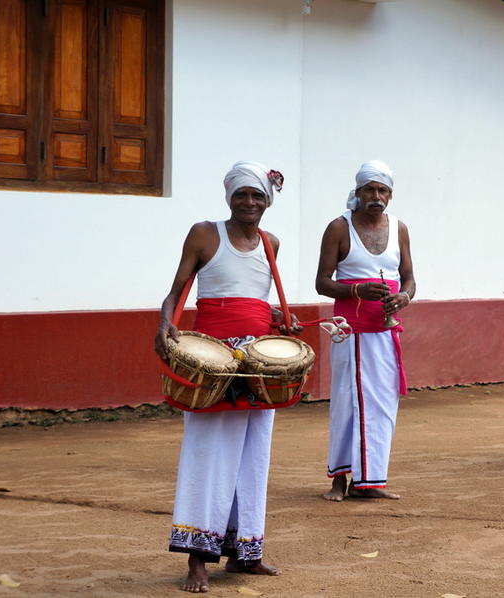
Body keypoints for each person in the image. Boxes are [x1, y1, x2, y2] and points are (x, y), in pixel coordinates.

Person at [155, 161, 297, 592]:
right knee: (208, 453)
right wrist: (164, 323)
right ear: (229, 197)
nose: (249, 202)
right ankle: (197, 558)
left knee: (254, 457)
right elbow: (178, 289)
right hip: (213, 360)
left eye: (257, 195)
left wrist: (278, 322)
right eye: (242, 195)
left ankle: (245, 553)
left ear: (266, 202)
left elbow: (254, 300)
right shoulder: (204, 233)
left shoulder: (271, 243)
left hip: (256, 364)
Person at [315, 160, 416, 501]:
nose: (376, 196)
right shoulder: (338, 228)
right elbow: (322, 283)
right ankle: (340, 481)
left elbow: (409, 278)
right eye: (369, 189)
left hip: (385, 331)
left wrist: (403, 296)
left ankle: (371, 480)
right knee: (347, 403)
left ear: (390, 194)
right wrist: (357, 291)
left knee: (382, 404)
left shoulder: (399, 228)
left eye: (382, 190)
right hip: (350, 330)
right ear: (357, 193)